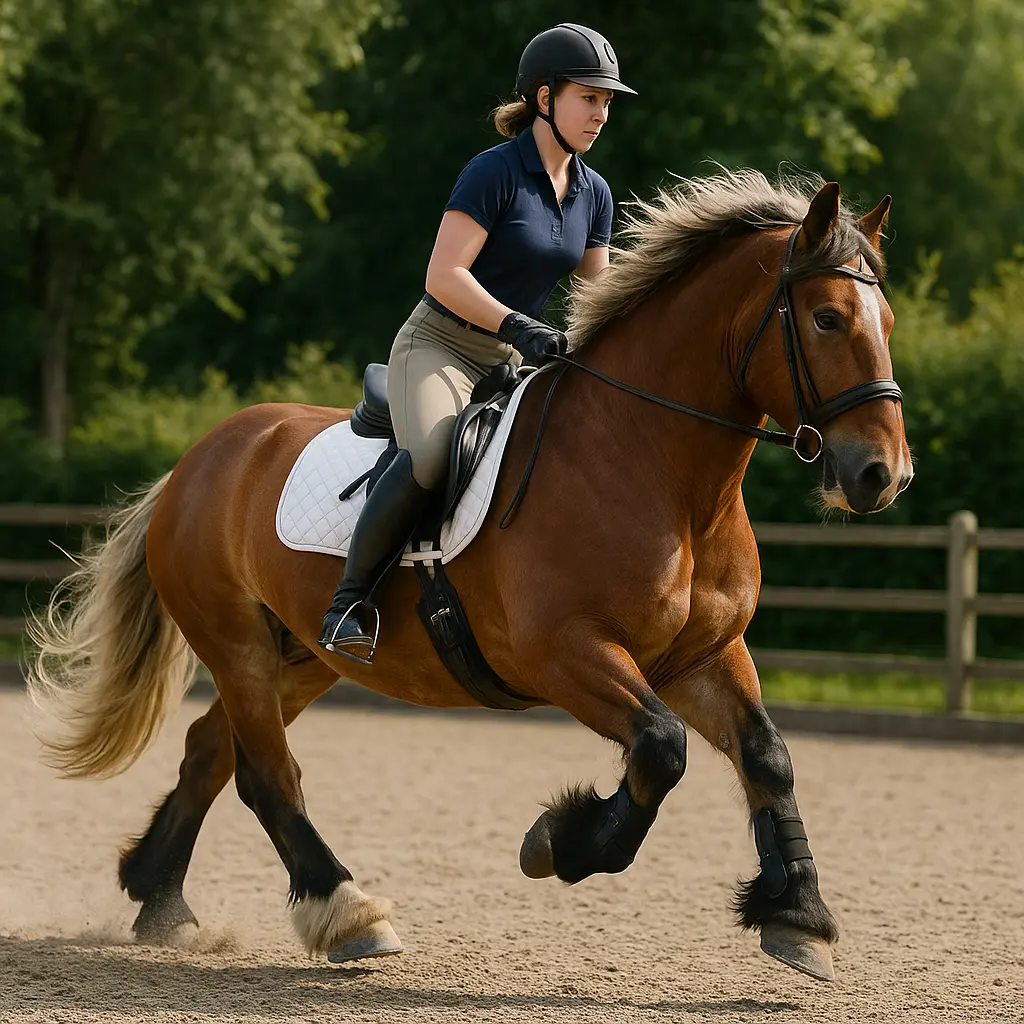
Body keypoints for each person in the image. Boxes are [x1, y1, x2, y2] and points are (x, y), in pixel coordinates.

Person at [318, 23, 637, 662]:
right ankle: (348, 602)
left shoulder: (594, 193)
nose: (601, 114)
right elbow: (444, 276)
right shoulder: (494, 173)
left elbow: (599, 292)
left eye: (607, 102)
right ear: (544, 98)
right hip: (441, 344)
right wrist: (518, 324)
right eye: (589, 98)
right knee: (434, 454)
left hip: (515, 360)